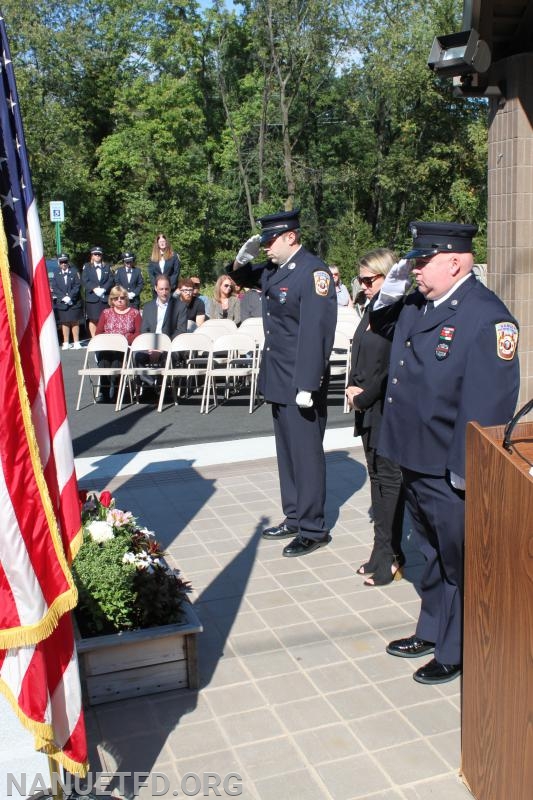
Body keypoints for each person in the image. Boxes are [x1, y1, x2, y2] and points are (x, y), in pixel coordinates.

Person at [370, 221, 519, 685]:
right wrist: (388, 291)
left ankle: (457, 649)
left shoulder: (486, 317)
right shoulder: (419, 301)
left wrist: (467, 469)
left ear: (455, 261)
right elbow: (380, 325)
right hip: (412, 453)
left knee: (459, 561)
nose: (413, 269)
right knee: (431, 553)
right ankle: (433, 628)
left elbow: (486, 406)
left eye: (422, 261)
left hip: (447, 464)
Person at [230, 209, 337, 557]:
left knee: (306, 456)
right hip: (278, 376)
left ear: (291, 236)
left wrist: (308, 381)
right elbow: (242, 277)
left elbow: (316, 330)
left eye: (270, 241)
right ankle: (294, 516)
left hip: (301, 381)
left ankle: (313, 527)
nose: (265, 249)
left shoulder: (313, 272)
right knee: (288, 454)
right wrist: (241, 259)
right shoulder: (276, 270)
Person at [345, 248, 404, 586]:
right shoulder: (372, 308)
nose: (364, 286)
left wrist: (363, 395)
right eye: (361, 280)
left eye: (370, 280)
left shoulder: (396, 312)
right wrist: (353, 387)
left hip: (386, 409)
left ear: (387, 276)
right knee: (378, 481)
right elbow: (361, 355)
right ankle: (380, 551)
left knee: (390, 483)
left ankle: (393, 555)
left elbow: (392, 366)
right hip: (367, 408)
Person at [135, 274, 188, 384]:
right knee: (138, 357)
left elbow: (181, 331)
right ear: (155, 289)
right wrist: (150, 348)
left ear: (170, 288)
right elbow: (144, 331)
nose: (164, 292)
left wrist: (162, 347)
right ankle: (150, 384)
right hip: (150, 346)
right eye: (161, 289)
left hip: (170, 347)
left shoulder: (180, 306)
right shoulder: (148, 307)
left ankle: (161, 387)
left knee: (167, 358)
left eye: (166, 289)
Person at [94, 285, 142, 402]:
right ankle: (104, 393)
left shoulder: (135, 313)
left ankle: (117, 392)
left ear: (126, 299)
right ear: (112, 300)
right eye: (116, 298)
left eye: (122, 298)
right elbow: (98, 332)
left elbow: (139, 333)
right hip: (107, 346)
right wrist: (110, 340)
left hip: (124, 347)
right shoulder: (106, 313)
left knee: (117, 362)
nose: (119, 300)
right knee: (103, 362)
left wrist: (124, 339)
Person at [51, 253, 83, 349]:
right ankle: (66, 342)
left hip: (74, 301)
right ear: (59, 263)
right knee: (64, 322)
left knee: (74, 321)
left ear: (68, 262)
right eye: (61, 262)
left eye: (65, 261)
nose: (63, 264)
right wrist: (63, 297)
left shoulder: (74, 271)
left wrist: (70, 297)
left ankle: (76, 341)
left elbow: (77, 285)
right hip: (62, 302)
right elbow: (55, 287)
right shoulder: (56, 273)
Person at [82, 246, 115, 337]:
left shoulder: (107, 266)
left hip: (104, 297)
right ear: (92, 255)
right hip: (92, 297)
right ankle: (94, 338)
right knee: (93, 319)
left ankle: (104, 337)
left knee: (105, 319)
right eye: (95, 254)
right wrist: (94, 288)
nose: (97, 256)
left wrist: (104, 288)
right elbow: (84, 280)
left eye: (99, 254)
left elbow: (111, 279)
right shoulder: (87, 267)